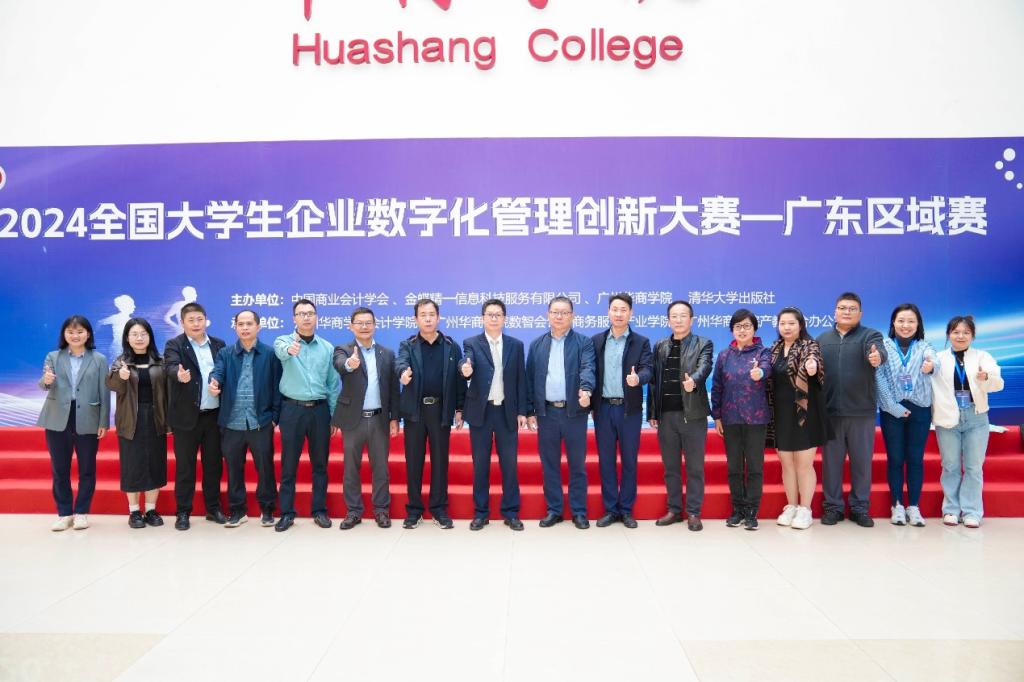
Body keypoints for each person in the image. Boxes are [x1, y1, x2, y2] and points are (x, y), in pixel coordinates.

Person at [816, 292, 886, 528]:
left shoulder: (870, 335)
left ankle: (859, 508)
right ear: (835, 312)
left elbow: (878, 352)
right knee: (831, 464)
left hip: (861, 411)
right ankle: (833, 507)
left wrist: (877, 357)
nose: (847, 312)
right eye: (842, 308)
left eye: (852, 308)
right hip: (830, 412)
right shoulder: (822, 339)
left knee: (862, 463)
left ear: (860, 313)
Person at [526, 296, 596, 529]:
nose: (559, 316)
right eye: (555, 312)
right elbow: (529, 379)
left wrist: (586, 389)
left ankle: (579, 511)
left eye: (564, 312)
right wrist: (530, 410)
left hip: (574, 412)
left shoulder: (583, 343)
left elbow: (588, 368)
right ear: (548, 315)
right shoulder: (537, 344)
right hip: (546, 413)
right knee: (550, 464)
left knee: (577, 464)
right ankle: (554, 510)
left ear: (572, 316)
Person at [396, 298, 466, 529]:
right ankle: (414, 510)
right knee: (413, 461)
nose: (427, 319)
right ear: (415, 319)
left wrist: (459, 409)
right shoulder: (408, 345)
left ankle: (439, 509)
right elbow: (400, 363)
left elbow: (459, 381)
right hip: (415, 412)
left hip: (440, 410)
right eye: (423, 315)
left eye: (431, 314)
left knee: (440, 461)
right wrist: (403, 373)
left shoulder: (451, 346)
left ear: (438, 317)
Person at [209, 309, 282, 528]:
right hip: (232, 422)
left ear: (258, 327)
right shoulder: (225, 353)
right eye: (240, 324)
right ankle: (237, 511)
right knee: (234, 469)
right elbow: (217, 372)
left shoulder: (270, 354)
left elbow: (278, 387)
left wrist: (274, 418)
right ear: (235, 327)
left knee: (265, 468)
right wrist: (214, 382)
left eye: (249, 323)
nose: (245, 328)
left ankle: (267, 509)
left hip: (260, 421)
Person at [272, 299, 341, 532]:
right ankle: (286, 513)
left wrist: (333, 414)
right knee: (288, 464)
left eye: (310, 313)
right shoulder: (283, 341)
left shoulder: (327, 347)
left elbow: (332, 384)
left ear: (317, 317)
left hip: (320, 411)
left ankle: (319, 510)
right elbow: (281, 352)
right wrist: (290, 350)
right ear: (294, 318)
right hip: (292, 410)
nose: (306, 317)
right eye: (301, 314)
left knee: (320, 464)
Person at [460, 299, 528, 531]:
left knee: (509, 464)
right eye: (489, 314)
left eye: (498, 314)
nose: (494, 318)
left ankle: (511, 512)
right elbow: (466, 361)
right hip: (481, 412)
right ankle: (481, 513)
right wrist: (465, 369)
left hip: (507, 412)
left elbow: (520, 379)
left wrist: (522, 411)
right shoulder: (472, 343)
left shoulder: (516, 345)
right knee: (480, 465)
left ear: (504, 318)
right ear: (482, 318)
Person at [37, 315, 110, 531]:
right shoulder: (53, 356)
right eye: (70, 332)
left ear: (88, 334)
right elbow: (44, 383)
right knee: (60, 469)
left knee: (87, 468)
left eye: (80, 332)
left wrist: (103, 421)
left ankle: (81, 513)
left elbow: (104, 392)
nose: (75, 335)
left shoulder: (99, 359)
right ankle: (64, 513)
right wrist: (46, 381)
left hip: (88, 417)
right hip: (57, 417)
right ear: (64, 334)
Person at [932, 316, 1003, 528]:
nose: (960, 336)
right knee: (950, 465)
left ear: (972, 335)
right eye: (956, 332)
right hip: (948, 417)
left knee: (973, 466)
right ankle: (951, 510)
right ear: (948, 335)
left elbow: (998, 384)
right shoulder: (938, 358)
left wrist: (986, 377)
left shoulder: (983, 357)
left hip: (976, 416)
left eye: (966, 332)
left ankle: (972, 511)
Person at [333, 307, 400, 530]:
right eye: (359, 323)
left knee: (381, 468)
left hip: (380, 419)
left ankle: (381, 510)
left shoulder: (387, 353)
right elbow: (340, 364)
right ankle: (353, 511)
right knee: (351, 468)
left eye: (368, 322)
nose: (364, 327)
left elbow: (393, 388)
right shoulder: (343, 350)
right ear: (351, 326)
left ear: (375, 325)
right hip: (354, 420)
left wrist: (394, 418)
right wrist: (349, 364)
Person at [648, 300, 713, 531]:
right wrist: (653, 412)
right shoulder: (660, 346)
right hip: (667, 416)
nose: (678, 320)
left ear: (691, 319)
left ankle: (694, 512)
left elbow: (705, 367)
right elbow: (654, 381)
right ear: (668, 320)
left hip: (693, 415)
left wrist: (693, 380)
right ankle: (674, 510)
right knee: (671, 468)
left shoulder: (703, 343)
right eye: (674, 316)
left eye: (683, 315)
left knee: (695, 467)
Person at [591, 293, 652, 529]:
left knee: (629, 460)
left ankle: (626, 510)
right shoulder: (596, 341)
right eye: (615, 309)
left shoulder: (641, 342)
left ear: (631, 313)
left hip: (629, 410)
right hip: (604, 408)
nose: (618, 314)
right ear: (608, 312)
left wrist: (639, 379)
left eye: (623, 310)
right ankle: (610, 509)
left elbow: (648, 369)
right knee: (606, 461)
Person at [164, 302, 227, 530]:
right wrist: (178, 375)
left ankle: (213, 508)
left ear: (206, 320)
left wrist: (221, 385)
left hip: (213, 416)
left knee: (213, 466)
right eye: (191, 320)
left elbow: (225, 372)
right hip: (186, 417)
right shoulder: (175, 345)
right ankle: (183, 512)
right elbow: (170, 367)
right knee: (185, 467)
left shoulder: (219, 345)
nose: (196, 324)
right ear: (182, 323)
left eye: (199, 319)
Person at [767, 308, 829, 531]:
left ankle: (805, 509)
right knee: (787, 464)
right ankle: (791, 506)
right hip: (780, 414)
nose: (786, 327)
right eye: (782, 323)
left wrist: (812, 368)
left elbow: (815, 363)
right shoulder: (773, 349)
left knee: (803, 465)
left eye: (791, 323)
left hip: (805, 413)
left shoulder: (810, 346)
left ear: (800, 325)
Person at [875, 303, 937, 527]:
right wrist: (893, 407)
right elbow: (878, 377)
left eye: (911, 321)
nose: (906, 325)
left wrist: (931, 366)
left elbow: (934, 360)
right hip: (892, 410)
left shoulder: (924, 346)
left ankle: (914, 506)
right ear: (893, 322)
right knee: (895, 458)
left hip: (920, 409)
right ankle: (897, 505)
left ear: (918, 324)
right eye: (901, 320)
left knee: (915, 458)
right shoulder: (883, 346)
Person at [711, 309, 772, 530]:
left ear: (754, 329)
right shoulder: (724, 356)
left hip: (756, 418)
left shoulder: (763, 352)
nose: (742, 330)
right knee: (734, 467)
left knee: (755, 467)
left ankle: (752, 511)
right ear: (732, 330)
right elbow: (717, 386)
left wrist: (760, 373)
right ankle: (737, 510)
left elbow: (767, 368)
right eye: (738, 326)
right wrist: (717, 416)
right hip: (730, 418)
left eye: (747, 326)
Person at [107, 318, 169, 529]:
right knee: (132, 465)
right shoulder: (120, 362)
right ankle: (134, 511)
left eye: (143, 333)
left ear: (150, 336)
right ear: (127, 338)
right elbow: (112, 385)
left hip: (156, 417)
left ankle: (151, 509)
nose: (139, 338)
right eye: (134, 334)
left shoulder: (160, 361)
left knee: (154, 463)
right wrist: (122, 377)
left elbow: (169, 389)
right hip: (130, 419)